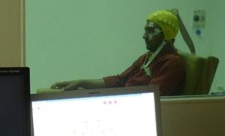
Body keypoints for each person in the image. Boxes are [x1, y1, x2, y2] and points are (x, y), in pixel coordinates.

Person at [50, 10, 185, 96]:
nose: (144, 36)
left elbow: (150, 100)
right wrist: (81, 82)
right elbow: (119, 80)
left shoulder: (172, 63)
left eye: (150, 31)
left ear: (166, 35)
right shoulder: (148, 58)